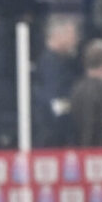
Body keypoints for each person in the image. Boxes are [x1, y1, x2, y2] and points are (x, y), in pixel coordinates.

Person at [35, 14, 82, 146]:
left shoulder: (62, 62)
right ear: (59, 35)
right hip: (53, 137)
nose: (76, 40)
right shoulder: (51, 64)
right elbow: (56, 101)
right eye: (73, 34)